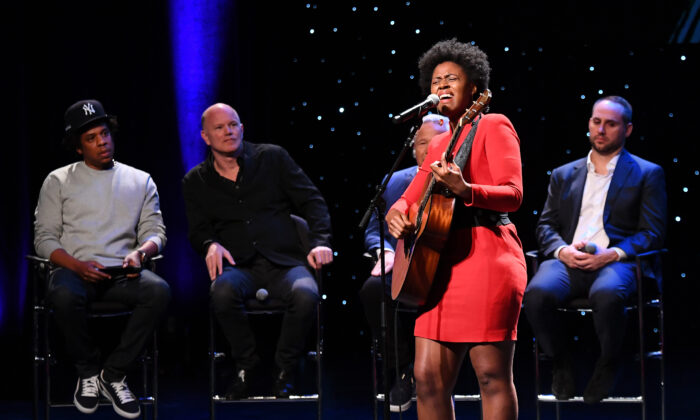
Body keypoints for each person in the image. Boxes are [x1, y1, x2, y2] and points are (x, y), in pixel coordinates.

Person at [386, 39, 526, 420]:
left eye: (452, 78)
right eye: (435, 81)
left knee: (491, 375)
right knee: (427, 377)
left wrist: (467, 189)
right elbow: (409, 196)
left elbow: (513, 195)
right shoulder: (440, 144)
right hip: (437, 266)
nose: (442, 86)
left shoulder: (494, 125)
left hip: (486, 257)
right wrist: (397, 212)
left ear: (475, 89)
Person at [182, 103, 333, 399]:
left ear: (242, 128)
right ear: (205, 137)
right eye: (220, 127)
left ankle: (284, 369)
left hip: (285, 262)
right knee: (222, 293)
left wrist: (320, 242)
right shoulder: (196, 181)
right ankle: (247, 365)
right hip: (239, 267)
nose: (229, 131)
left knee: (306, 292)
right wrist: (209, 244)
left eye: (234, 124)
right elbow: (198, 230)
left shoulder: (272, 157)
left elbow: (312, 201)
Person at [523, 96, 667, 403]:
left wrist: (612, 254)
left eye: (610, 124)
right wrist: (562, 251)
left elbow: (652, 232)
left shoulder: (646, 173)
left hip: (616, 261)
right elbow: (545, 226)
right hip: (568, 260)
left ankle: (609, 363)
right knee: (536, 294)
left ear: (627, 130)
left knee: (608, 294)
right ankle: (560, 362)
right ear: (589, 123)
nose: (601, 130)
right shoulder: (564, 174)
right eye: (596, 121)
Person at [34, 99, 171, 419]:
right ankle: (87, 371)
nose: (102, 142)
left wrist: (141, 253)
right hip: (74, 270)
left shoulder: (140, 180)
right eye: (91, 138)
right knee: (64, 294)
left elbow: (156, 232)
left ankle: (114, 373)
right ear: (78, 147)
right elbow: (44, 239)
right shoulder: (58, 180)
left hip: (122, 272)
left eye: (105, 134)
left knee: (159, 290)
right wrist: (76, 265)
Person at [360, 114, 449, 412]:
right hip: (407, 266)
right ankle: (401, 369)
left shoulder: (464, 180)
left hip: (449, 268)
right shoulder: (398, 181)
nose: (430, 148)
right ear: (413, 148)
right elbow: (376, 230)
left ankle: (441, 372)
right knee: (372, 289)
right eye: (423, 142)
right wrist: (383, 251)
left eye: (439, 140)